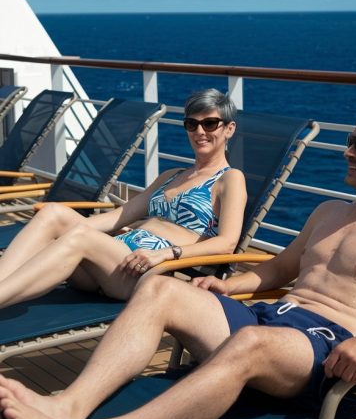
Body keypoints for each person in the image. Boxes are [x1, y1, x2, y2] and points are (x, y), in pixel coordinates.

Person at [1, 103, 356, 419]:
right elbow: (279, 269)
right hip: (273, 317)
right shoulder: (329, 211)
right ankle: (69, 406)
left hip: (327, 346)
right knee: (159, 287)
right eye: (351, 141)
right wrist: (226, 285)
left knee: (249, 344)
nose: (349, 152)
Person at [0, 88, 246, 308]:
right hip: (110, 259)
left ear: (229, 129)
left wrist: (166, 254)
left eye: (210, 124)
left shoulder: (230, 179)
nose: (200, 131)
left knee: (81, 236)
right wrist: (64, 228)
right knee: (53, 213)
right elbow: (123, 215)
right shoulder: (172, 175)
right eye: (192, 124)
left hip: (145, 271)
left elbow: (226, 243)